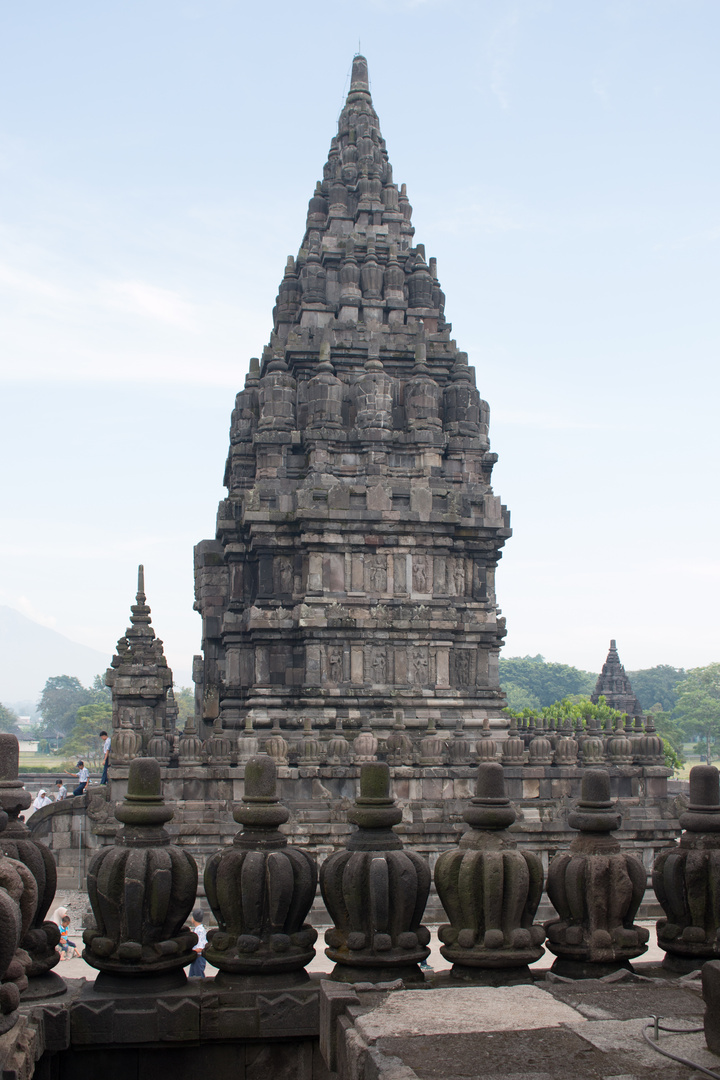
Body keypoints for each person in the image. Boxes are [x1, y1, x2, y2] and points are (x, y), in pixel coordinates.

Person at [188, 909, 207, 977]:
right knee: (192, 977)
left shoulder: (200, 930)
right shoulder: (197, 929)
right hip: (196, 957)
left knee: (199, 978)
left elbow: (200, 948)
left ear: (194, 918)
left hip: (199, 958)